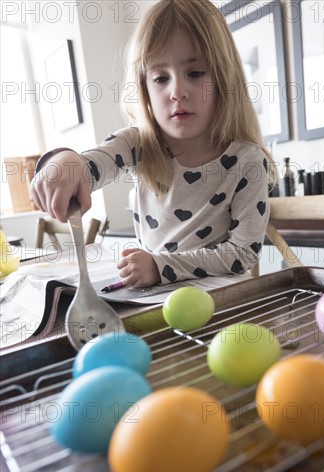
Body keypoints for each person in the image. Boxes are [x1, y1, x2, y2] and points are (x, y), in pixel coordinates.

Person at [31, 0, 276, 288]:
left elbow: (243, 253)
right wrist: (62, 161)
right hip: (154, 303)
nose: (178, 91)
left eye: (195, 73)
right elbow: (91, 166)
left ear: (224, 78)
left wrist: (161, 267)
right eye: (160, 78)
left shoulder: (247, 160)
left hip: (221, 305)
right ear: (144, 88)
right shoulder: (137, 144)